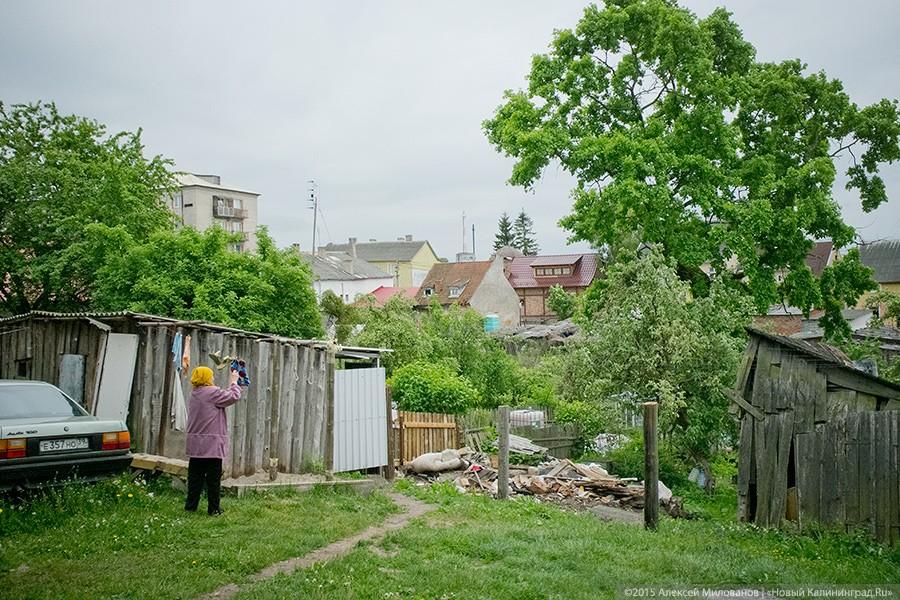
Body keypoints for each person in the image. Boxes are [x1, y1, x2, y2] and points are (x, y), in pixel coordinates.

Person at [184, 365, 242, 515]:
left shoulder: (195, 393)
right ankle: (214, 509)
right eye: (211, 376)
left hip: (196, 445)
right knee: (213, 480)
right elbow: (234, 397)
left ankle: (191, 506)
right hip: (211, 446)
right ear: (206, 378)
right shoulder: (212, 393)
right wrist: (234, 382)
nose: (213, 378)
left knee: (195, 479)